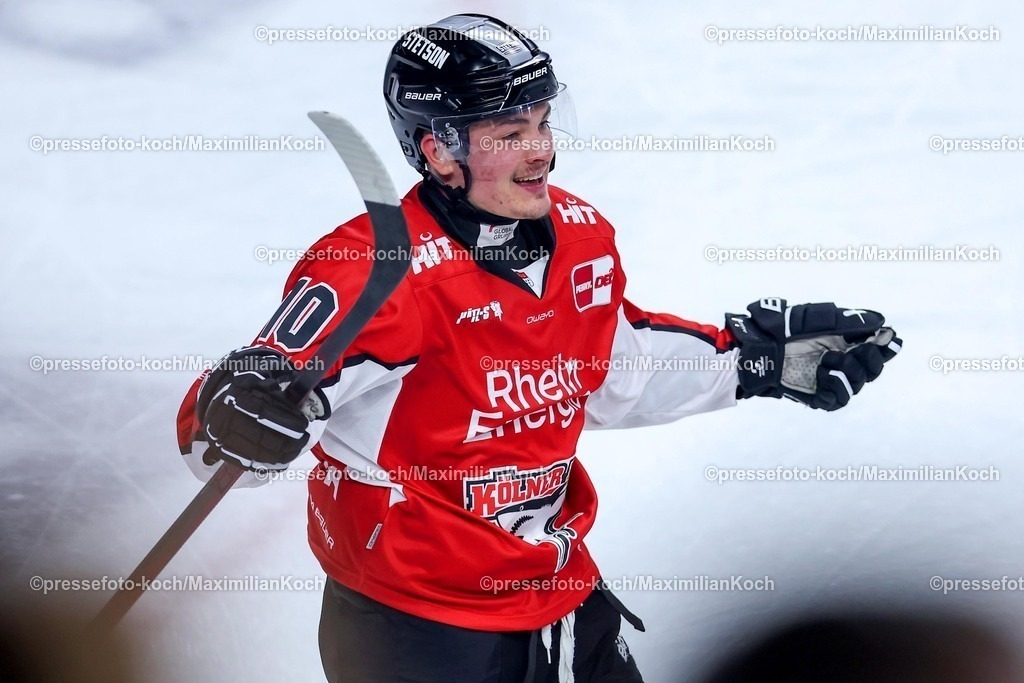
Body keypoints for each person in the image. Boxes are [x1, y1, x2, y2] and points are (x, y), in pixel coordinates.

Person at [176, 14, 901, 683]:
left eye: (544, 122)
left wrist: (760, 362)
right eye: (510, 132)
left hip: (555, 589)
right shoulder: (377, 271)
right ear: (440, 151)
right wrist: (237, 415)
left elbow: (613, 372)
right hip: (414, 625)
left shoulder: (583, 241)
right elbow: (222, 432)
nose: (542, 150)